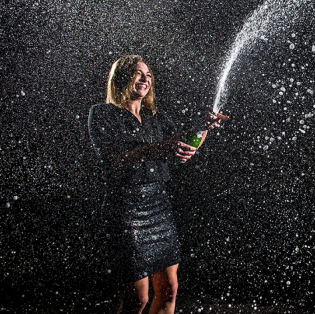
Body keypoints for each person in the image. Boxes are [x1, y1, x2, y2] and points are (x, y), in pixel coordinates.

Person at [88, 55, 228, 314]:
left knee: (168, 290)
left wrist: (203, 128)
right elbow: (115, 159)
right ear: (120, 79)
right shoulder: (102, 114)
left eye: (148, 75)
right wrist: (162, 148)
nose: (145, 79)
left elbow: (182, 142)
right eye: (138, 74)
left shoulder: (155, 117)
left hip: (158, 205)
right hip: (126, 209)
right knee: (137, 299)